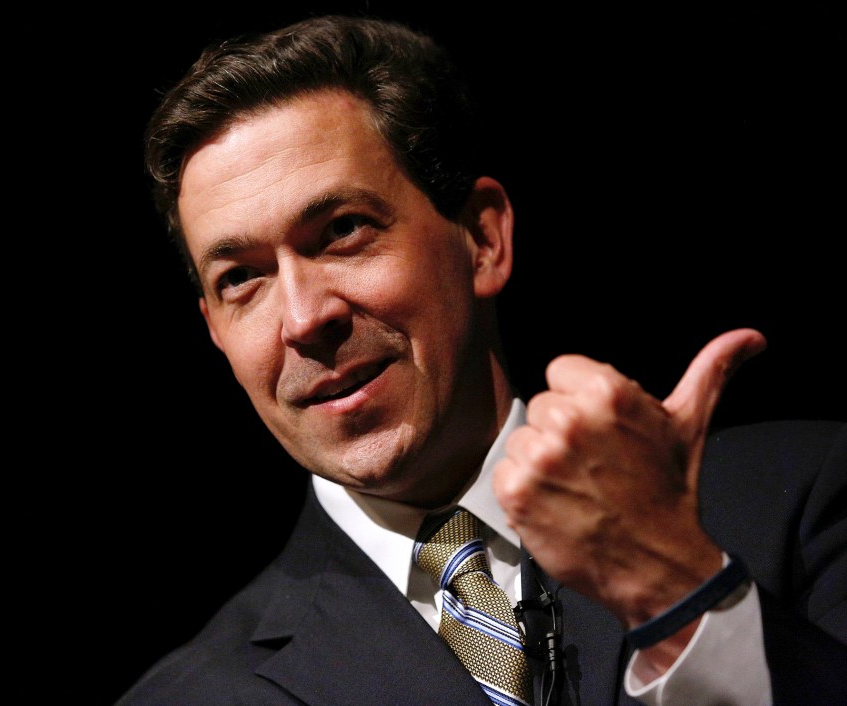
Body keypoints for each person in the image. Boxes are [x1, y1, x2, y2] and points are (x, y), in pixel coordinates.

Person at [115, 13, 846, 705]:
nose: (304, 320)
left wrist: (677, 591)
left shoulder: (807, 496)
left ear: (483, 240)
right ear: (214, 329)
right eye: (242, 277)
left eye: (342, 230)